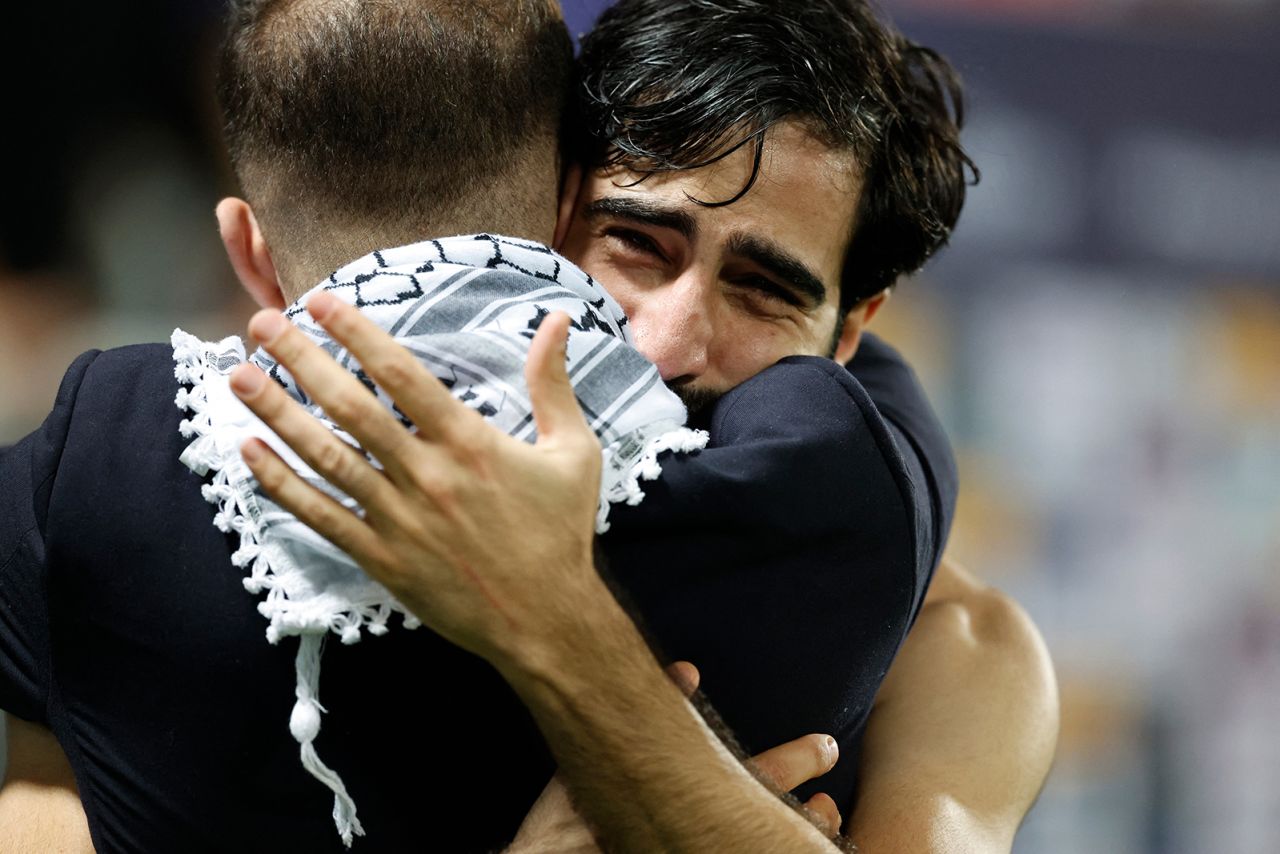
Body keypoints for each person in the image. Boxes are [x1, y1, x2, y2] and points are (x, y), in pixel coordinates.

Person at [0, 0, 1057, 851]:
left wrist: (551, 619)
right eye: (637, 243)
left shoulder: (961, 656)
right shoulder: (129, 522)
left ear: (846, 335)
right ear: (539, 218)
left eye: (762, 290)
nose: (663, 341)